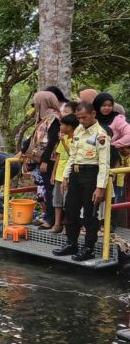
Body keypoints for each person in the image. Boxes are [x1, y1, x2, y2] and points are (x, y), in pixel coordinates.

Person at [53, 101, 110, 261]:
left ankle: (88, 248)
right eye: (79, 118)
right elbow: (73, 155)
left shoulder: (101, 134)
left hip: (91, 175)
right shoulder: (78, 129)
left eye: (84, 117)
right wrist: (65, 176)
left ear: (93, 114)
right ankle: (72, 244)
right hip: (75, 175)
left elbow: (104, 164)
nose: (82, 121)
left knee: (90, 214)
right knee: (70, 209)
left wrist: (100, 187)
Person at [26, 91, 63, 229]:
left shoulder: (53, 118)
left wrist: (45, 160)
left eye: (36, 103)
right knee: (47, 189)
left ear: (43, 103)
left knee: (50, 190)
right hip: (44, 159)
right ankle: (49, 216)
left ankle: (51, 219)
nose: (35, 106)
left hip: (50, 159)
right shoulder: (45, 118)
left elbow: (53, 141)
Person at [49, 113, 79, 233]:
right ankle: (57, 224)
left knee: (69, 201)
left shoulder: (76, 138)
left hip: (70, 174)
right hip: (59, 174)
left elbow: (73, 153)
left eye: (62, 125)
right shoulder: (64, 138)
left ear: (69, 127)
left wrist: (63, 141)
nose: (60, 127)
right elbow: (58, 156)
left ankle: (68, 226)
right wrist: (53, 173)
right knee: (57, 200)